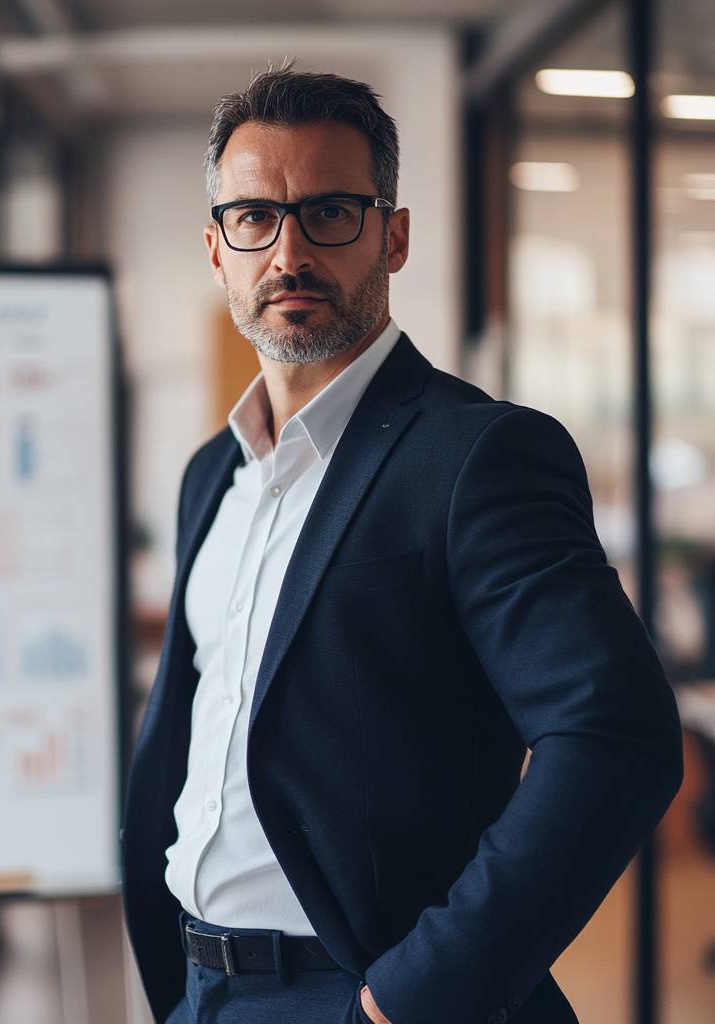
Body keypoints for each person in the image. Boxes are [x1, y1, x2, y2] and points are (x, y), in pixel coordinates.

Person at [119, 64, 683, 1024]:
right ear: (217, 250)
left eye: (330, 212)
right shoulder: (211, 474)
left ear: (395, 234)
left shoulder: (478, 457)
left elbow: (614, 736)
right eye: (255, 217)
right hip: (200, 990)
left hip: (362, 997)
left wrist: (413, 998)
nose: (288, 250)